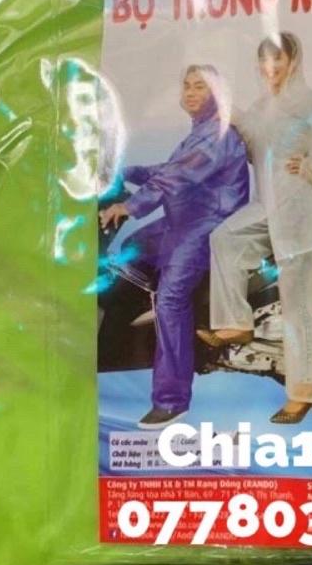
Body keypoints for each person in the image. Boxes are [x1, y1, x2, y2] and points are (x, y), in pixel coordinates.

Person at [198, 32, 312, 424]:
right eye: (264, 61)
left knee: (302, 307)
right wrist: (224, 106)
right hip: (268, 208)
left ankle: (304, 395)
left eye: (277, 61)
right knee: (225, 239)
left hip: (304, 214)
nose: (269, 69)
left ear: (293, 62)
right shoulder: (263, 107)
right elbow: (252, 137)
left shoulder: (309, 102)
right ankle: (236, 324)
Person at [100, 65, 249, 429]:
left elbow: (177, 176)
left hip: (208, 224)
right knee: (131, 250)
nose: (191, 93)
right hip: (182, 221)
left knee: (170, 298)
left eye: (200, 87)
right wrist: (125, 173)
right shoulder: (199, 132)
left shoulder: (217, 134)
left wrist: (129, 206)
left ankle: (171, 401)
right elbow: (170, 168)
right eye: (187, 86)